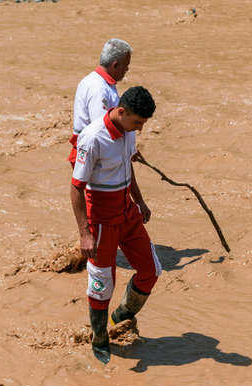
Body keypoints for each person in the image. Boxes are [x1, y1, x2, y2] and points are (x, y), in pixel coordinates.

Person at [70, 86, 162, 364]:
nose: (140, 129)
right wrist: (85, 234)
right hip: (101, 221)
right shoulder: (92, 138)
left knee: (151, 270)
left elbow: (127, 166)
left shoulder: (128, 131)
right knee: (101, 286)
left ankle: (121, 315)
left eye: (143, 125)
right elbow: (76, 188)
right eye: (137, 123)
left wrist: (140, 202)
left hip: (127, 212)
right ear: (121, 112)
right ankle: (100, 339)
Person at [68, 39, 132, 168]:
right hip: (94, 156)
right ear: (115, 65)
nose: (127, 69)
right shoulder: (99, 88)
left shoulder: (97, 81)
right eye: (126, 64)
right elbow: (101, 129)